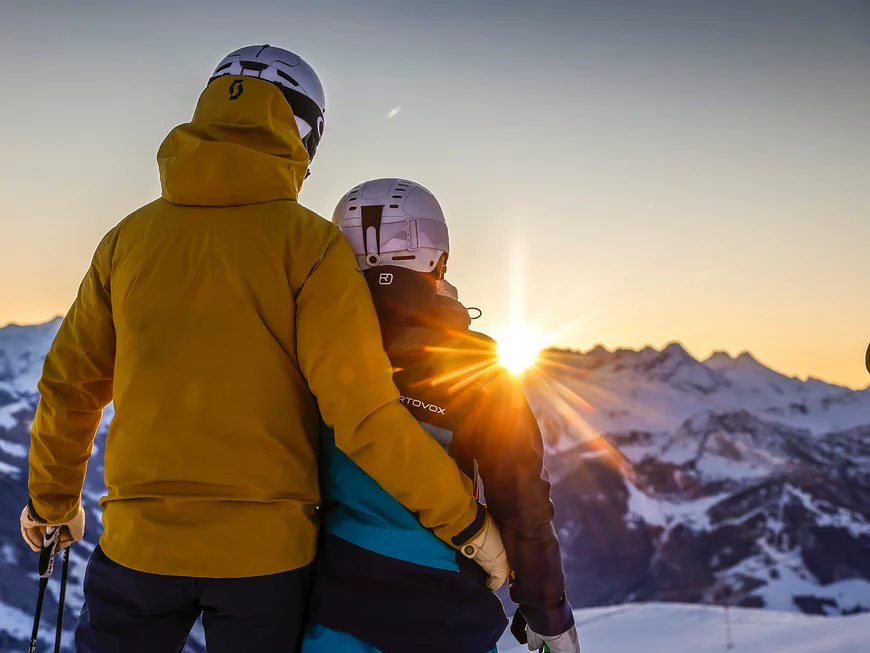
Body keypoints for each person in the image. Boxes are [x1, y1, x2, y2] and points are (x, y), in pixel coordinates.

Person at [20, 47, 508, 653]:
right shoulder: (311, 247)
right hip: (265, 563)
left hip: (138, 548)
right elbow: (364, 418)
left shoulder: (128, 240)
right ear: (304, 136)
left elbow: (70, 385)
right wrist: (468, 524)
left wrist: (53, 501)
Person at [302, 178, 580, 653]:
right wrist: (548, 615)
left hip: (332, 612)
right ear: (440, 259)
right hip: (446, 618)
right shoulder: (475, 367)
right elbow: (523, 501)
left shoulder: (309, 349)